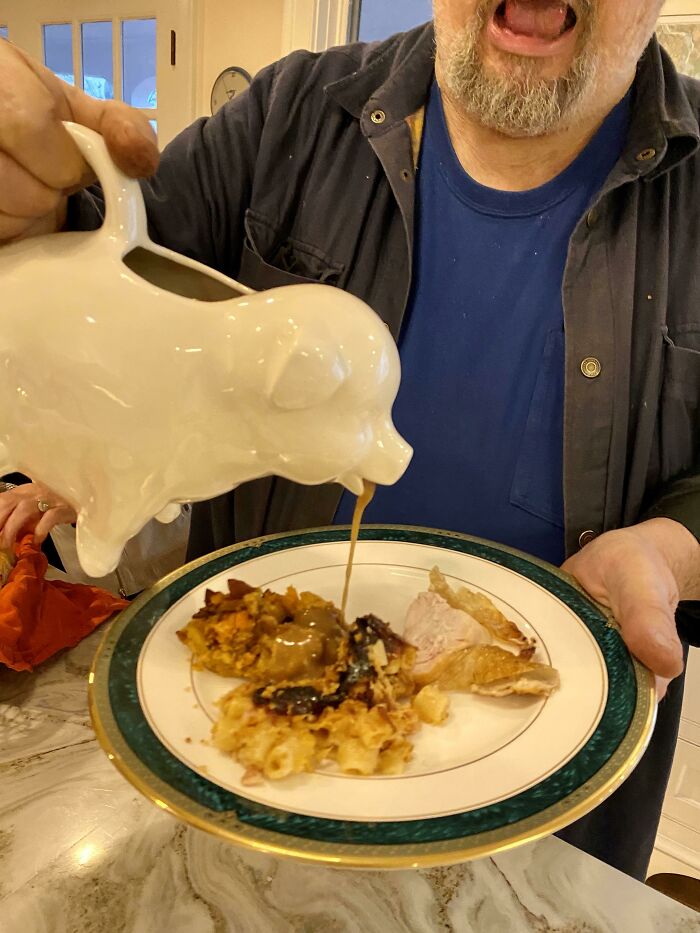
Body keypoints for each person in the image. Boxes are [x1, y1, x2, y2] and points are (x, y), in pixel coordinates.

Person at [0, 0, 698, 880]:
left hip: (554, 848)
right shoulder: (286, 116)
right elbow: (108, 281)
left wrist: (674, 550)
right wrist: (29, 225)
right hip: (237, 778)